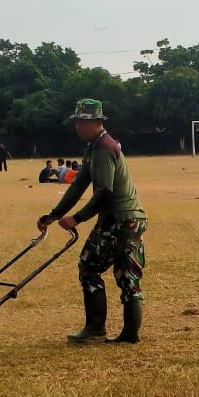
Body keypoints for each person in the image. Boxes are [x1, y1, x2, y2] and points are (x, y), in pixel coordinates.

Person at [36, 99, 147, 344]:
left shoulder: (103, 148)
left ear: (98, 122)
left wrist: (77, 218)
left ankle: (97, 327)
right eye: (76, 121)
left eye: (83, 121)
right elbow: (78, 186)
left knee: (90, 267)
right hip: (130, 218)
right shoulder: (94, 147)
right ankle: (129, 335)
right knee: (127, 275)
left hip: (117, 219)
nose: (78, 125)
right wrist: (54, 215)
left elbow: (105, 191)